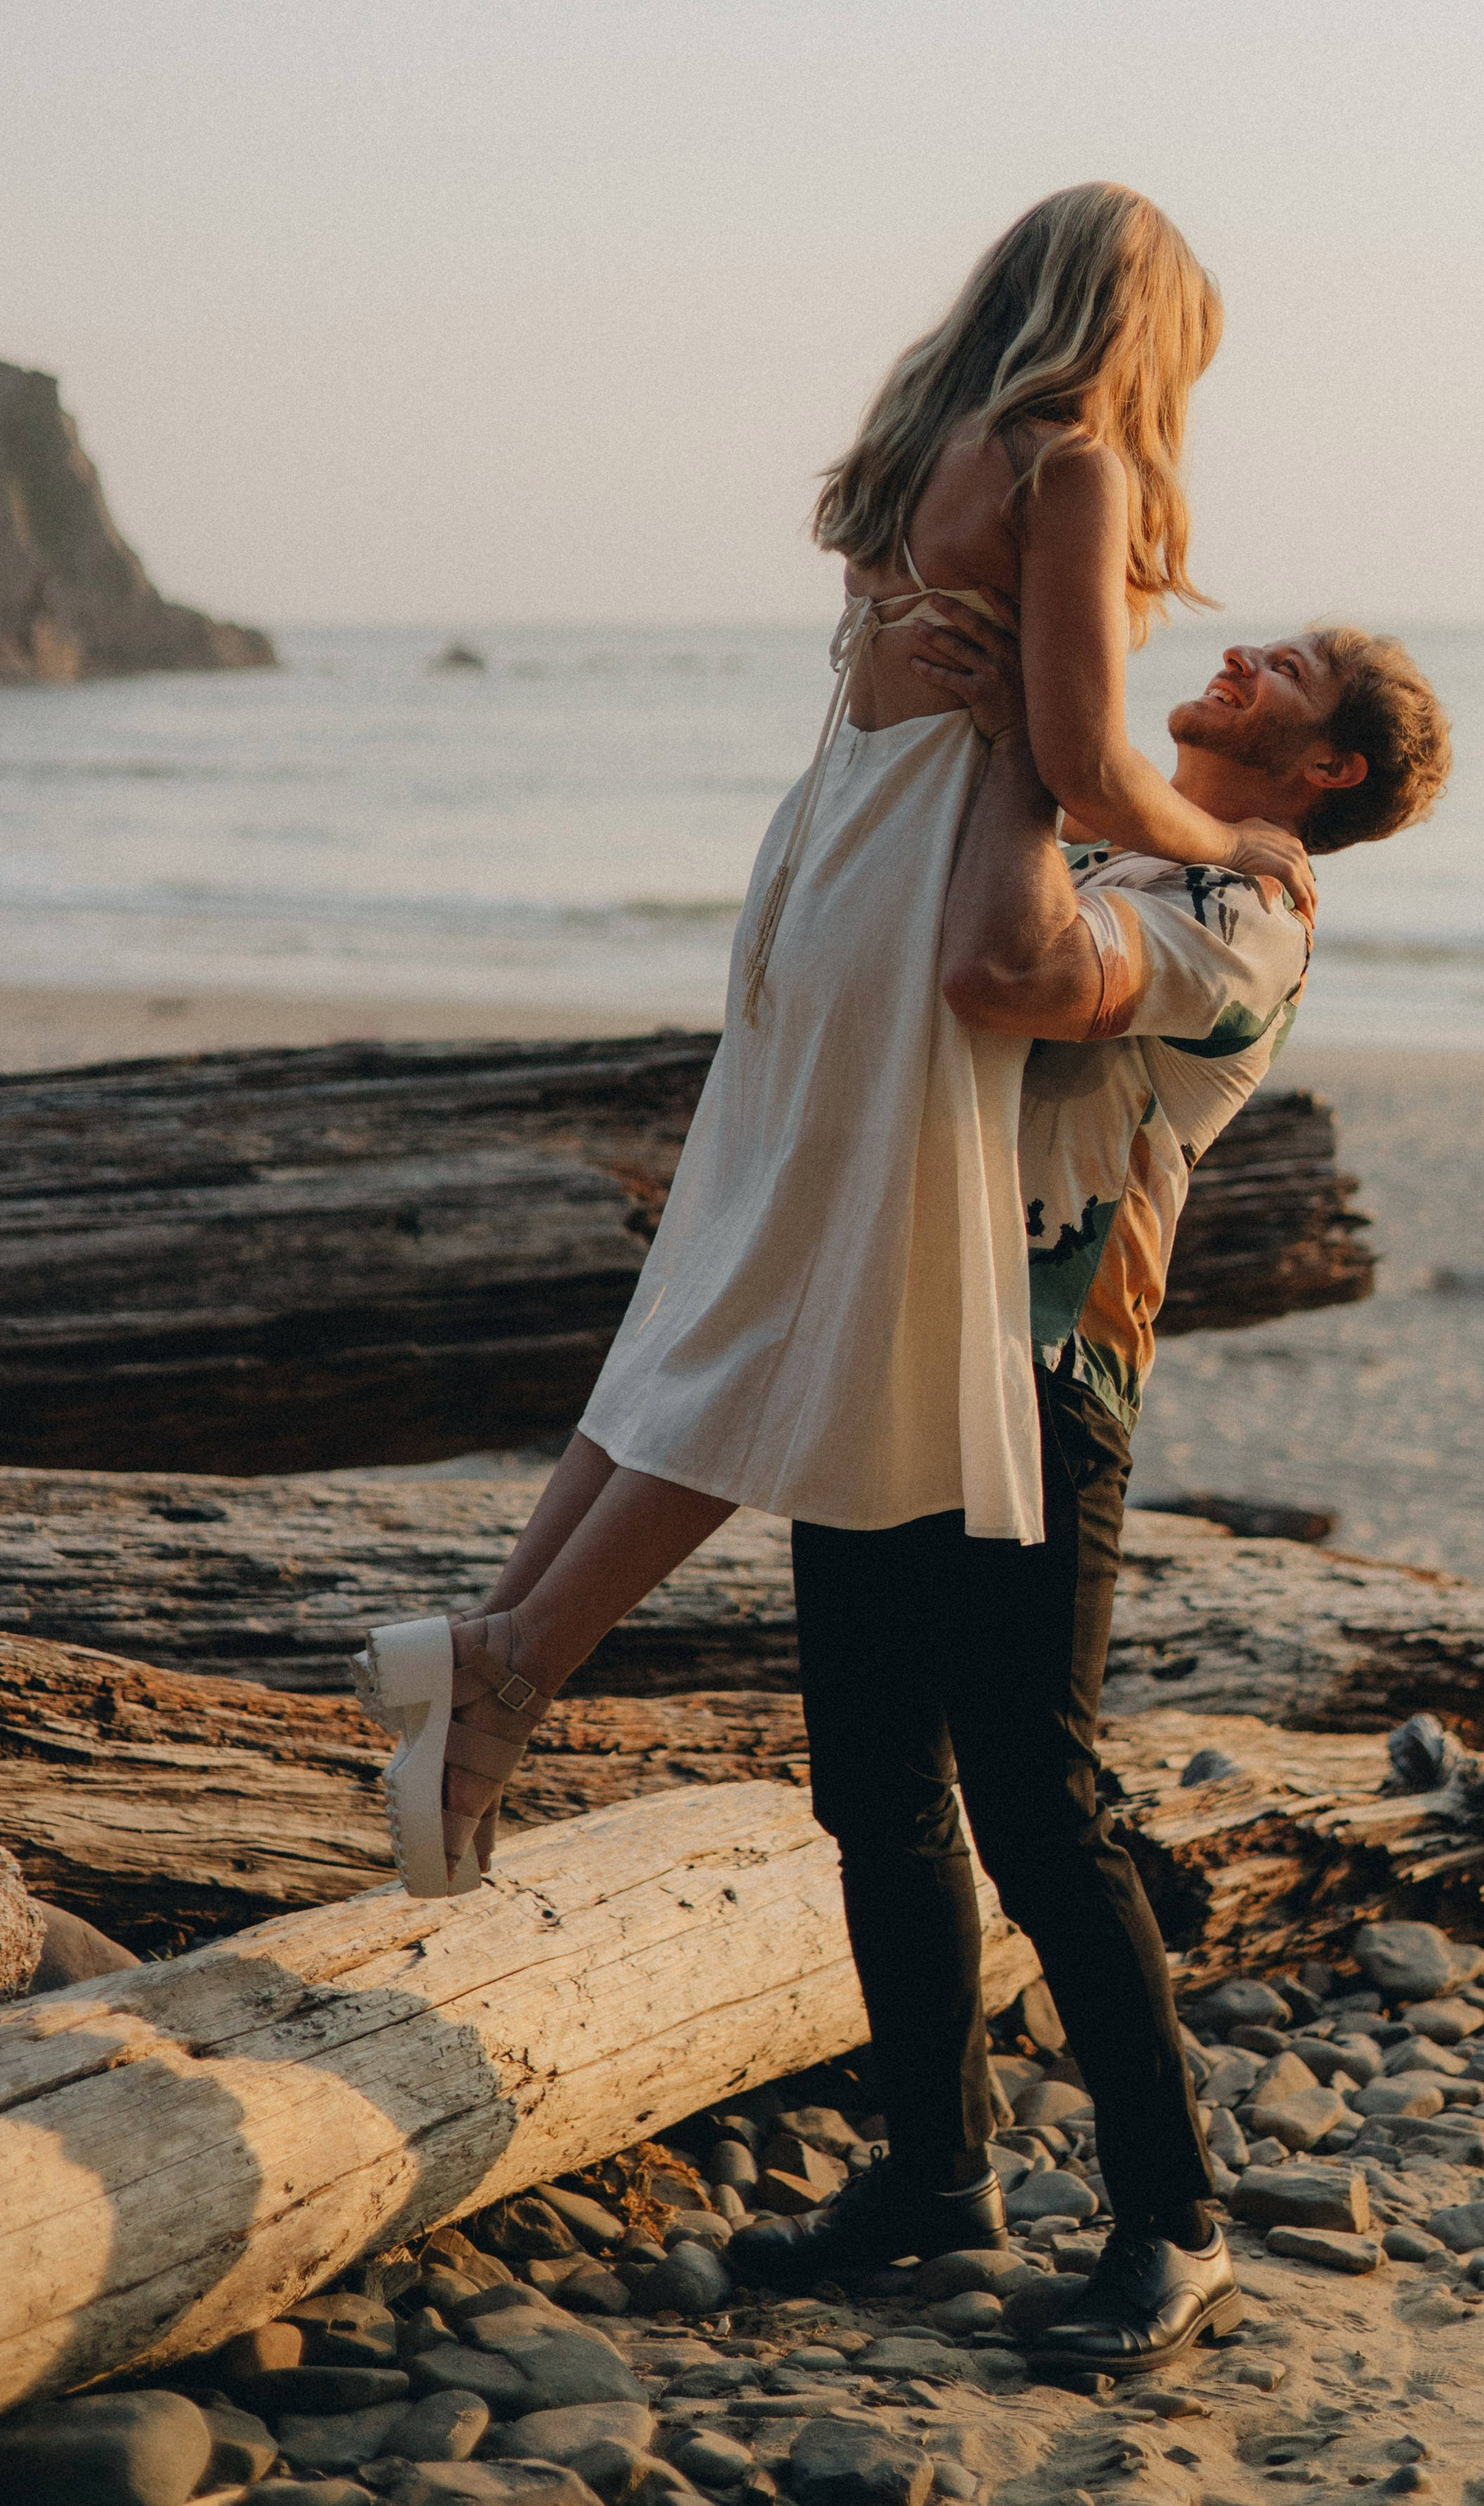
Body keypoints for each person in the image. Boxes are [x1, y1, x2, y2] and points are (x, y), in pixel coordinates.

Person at [354, 185, 1316, 1897]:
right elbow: (1091, 767)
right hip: (913, 899)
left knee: (726, 1282)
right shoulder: (1068, 465)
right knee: (791, 1316)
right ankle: (504, 1670)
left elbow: (938, 690)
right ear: (1137, 332)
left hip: (821, 872)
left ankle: (493, 1657)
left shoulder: (914, 449)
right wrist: (1225, 845)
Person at [723, 605, 1450, 2378]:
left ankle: (1176, 2227)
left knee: (1041, 1804)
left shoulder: (1252, 903)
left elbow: (1010, 983)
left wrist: (1023, 763)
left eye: (1286, 667)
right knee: (873, 1785)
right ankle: (935, 2180)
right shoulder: (1122, 827)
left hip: (1043, 1377)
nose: (1243, 651)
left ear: (1327, 763)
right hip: (894, 1326)